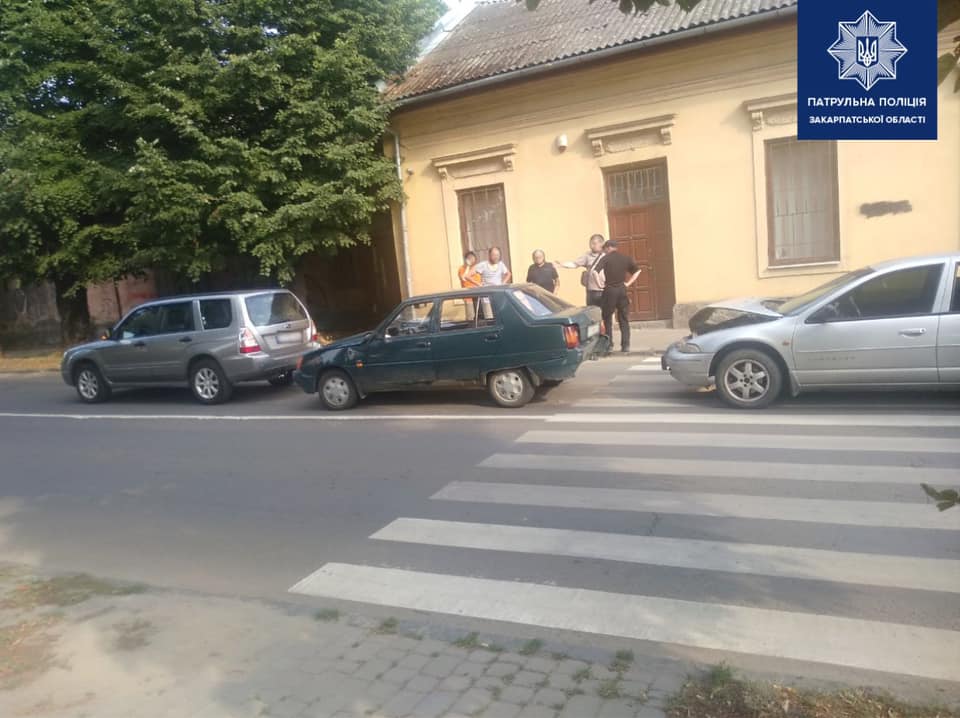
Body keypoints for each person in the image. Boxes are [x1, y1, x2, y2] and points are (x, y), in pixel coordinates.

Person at [592, 240, 641, 355]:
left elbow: (594, 272)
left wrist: (599, 284)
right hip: (622, 291)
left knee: (607, 318)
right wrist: (628, 283)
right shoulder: (626, 258)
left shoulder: (605, 259)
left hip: (609, 291)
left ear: (608, 248)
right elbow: (638, 271)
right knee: (623, 318)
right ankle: (626, 345)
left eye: (605, 249)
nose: (604, 251)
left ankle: (609, 346)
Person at [556, 234, 605, 307]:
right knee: (592, 313)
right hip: (591, 291)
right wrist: (561, 265)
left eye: (594, 243)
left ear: (601, 244)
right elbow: (574, 264)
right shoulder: (587, 255)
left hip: (604, 290)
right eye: (590, 243)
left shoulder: (607, 255)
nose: (591, 246)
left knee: (607, 313)